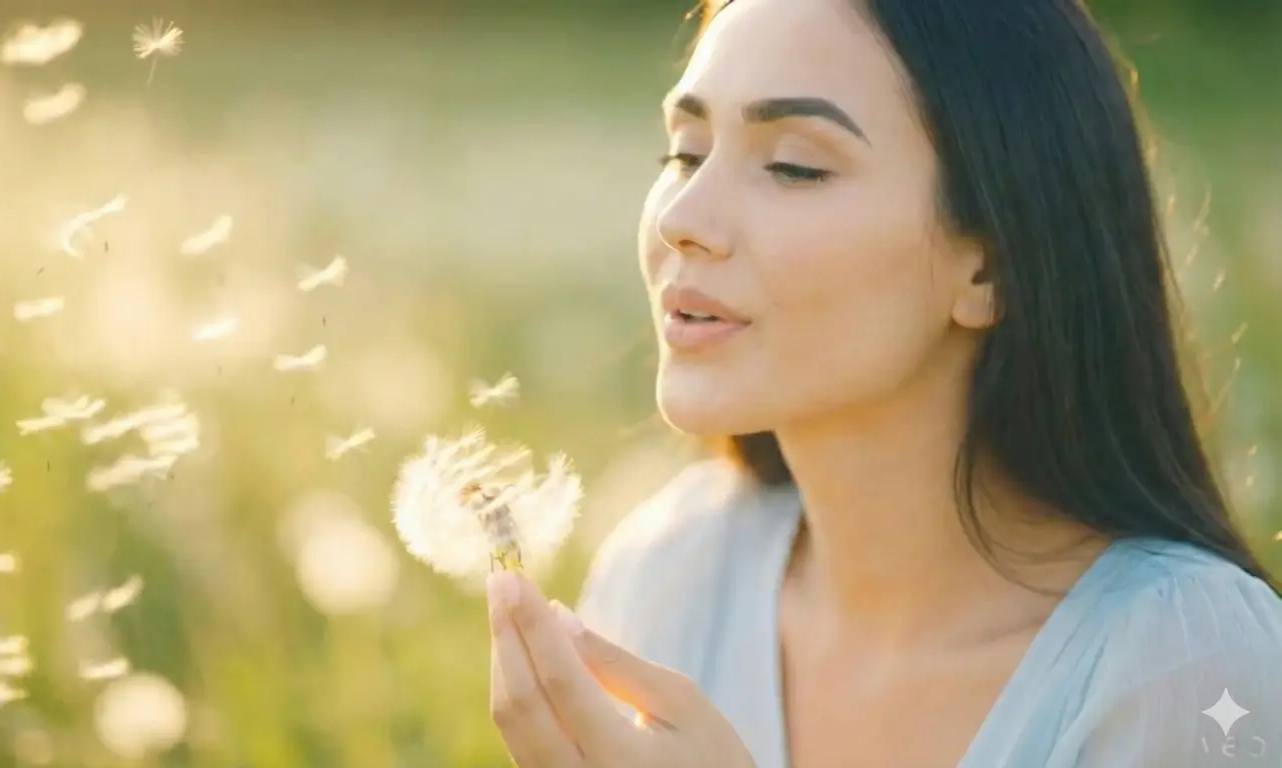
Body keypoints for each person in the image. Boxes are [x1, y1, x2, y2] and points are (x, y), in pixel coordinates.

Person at [483, 0, 1282, 765]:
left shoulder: (1192, 669)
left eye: (793, 167)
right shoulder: (670, 573)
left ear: (991, 266)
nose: (680, 217)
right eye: (686, 154)